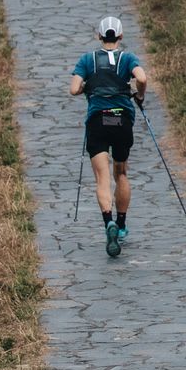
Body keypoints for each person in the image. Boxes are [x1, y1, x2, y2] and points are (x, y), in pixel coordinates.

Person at [69, 14, 150, 257]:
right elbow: (142, 78)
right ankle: (122, 224)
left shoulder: (87, 59)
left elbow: (74, 89)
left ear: (99, 36)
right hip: (122, 119)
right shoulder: (127, 58)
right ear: (121, 36)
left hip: (97, 120)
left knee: (102, 178)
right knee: (121, 172)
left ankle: (108, 223)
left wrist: (87, 87)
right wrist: (140, 94)